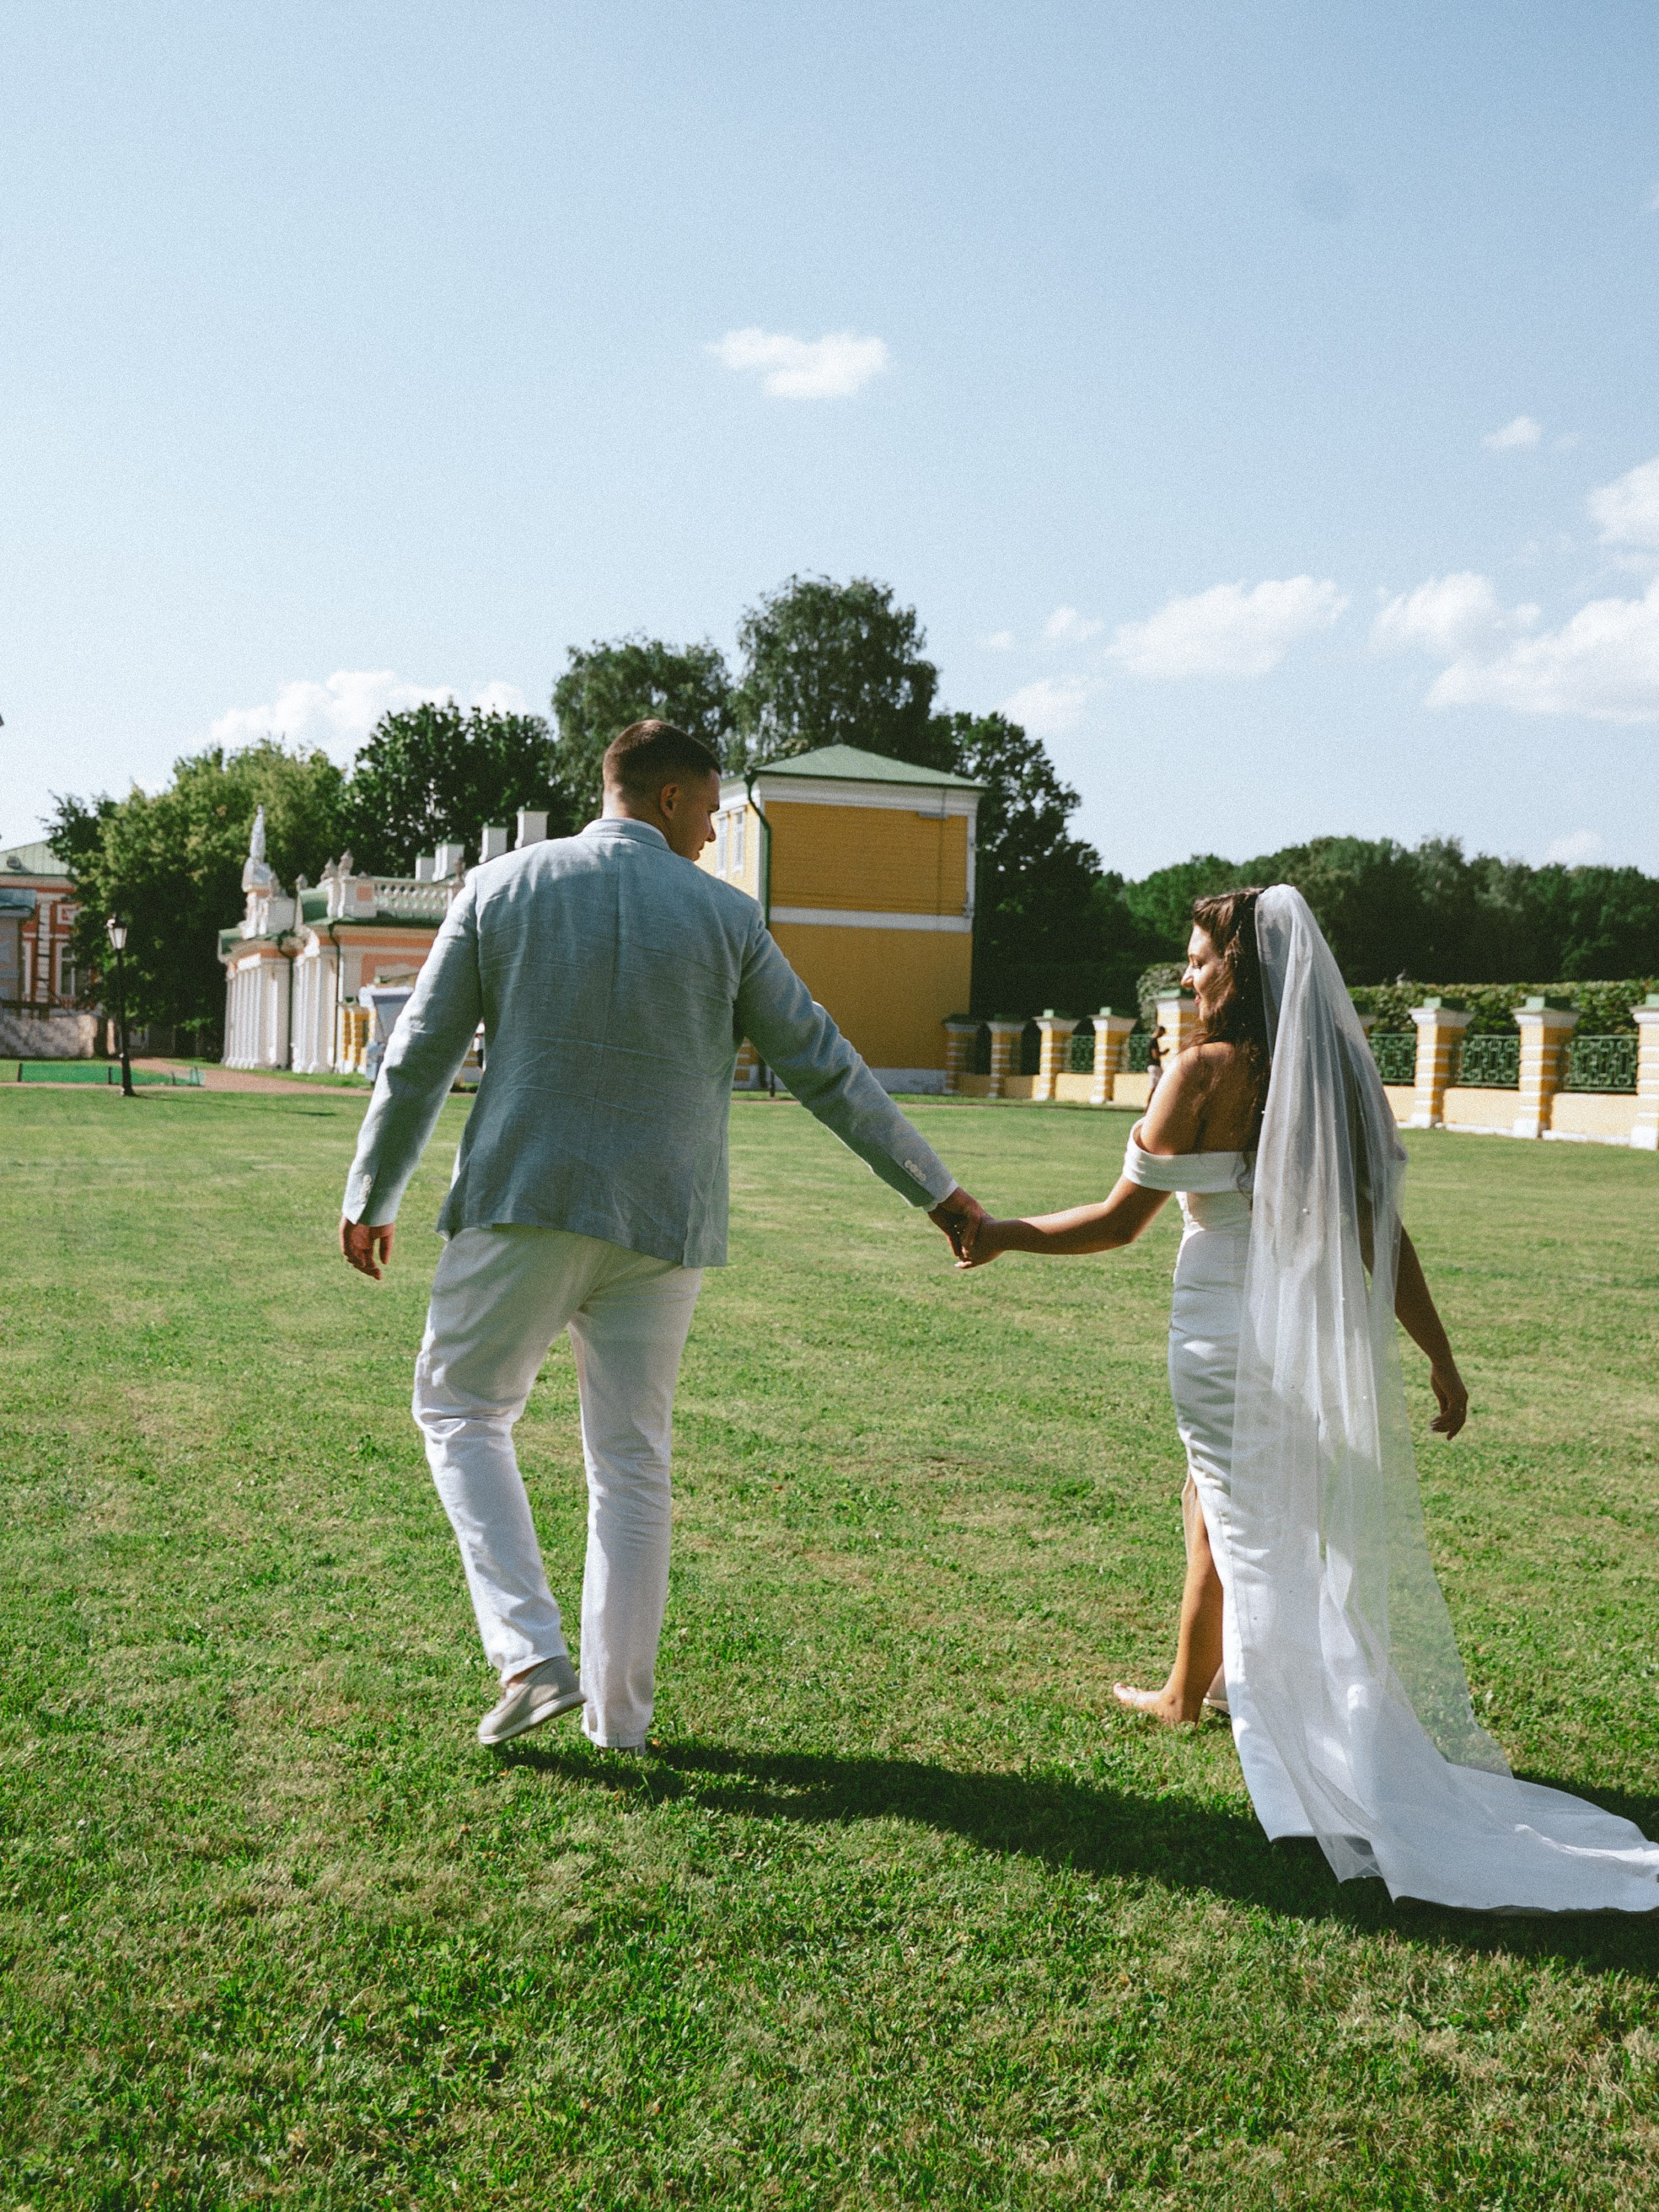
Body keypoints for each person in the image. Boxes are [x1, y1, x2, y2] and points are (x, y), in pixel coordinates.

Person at [958, 886, 1659, 1912]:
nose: (1186, 975)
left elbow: (1117, 1224)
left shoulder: (1201, 1070)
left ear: (1241, 969)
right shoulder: (1338, 1078)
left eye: (1199, 959)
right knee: (1220, 1510)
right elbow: (1387, 1236)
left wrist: (1001, 1230)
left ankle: (1332, 1772)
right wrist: (1441, 1355)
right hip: (1295, 1335)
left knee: (1259, 1541)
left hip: (1218, 1335)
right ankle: (1180, 1694)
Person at [339, 721, 985, 1753]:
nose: (720, 822)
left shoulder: (501, 886)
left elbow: (418, 1054)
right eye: (713, 802)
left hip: (525, 1197)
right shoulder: (727, 915)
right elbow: (827, 1066)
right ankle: (620, 1722)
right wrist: (938, 1191)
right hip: (664, 1222)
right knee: (632, 1461)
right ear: (672, 795)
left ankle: (527, 1652)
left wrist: (375, 1189)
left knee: (459, 1408)